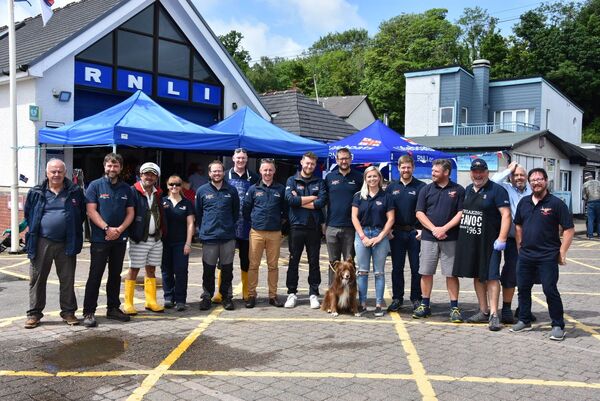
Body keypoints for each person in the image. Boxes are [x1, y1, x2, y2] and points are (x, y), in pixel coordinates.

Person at [510, 168, 574, 341]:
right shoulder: (524, 202)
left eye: (539, 179)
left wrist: (562, 252)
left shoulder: (556, 203)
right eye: (533, 180)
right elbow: (518, 226)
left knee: (549, 289)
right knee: (523, 288)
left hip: (547, 255)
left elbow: (569, 229)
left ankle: (558, 325)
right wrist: (519, 246)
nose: (536, 182)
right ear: (529, 183)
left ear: (546, 181)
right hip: (526, 255)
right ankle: (524, 319)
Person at [23, 159, 86, 329]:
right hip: (41, 241)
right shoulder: (36, 192)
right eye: (53, 171)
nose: (56, 174)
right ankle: (34, 314)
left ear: (65, 173)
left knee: (67, 279)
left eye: (60, 171)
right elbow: (29, 214)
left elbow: (81, 214)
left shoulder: (75, 191)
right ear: (46, 173)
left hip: (67, 242)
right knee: (37, 279)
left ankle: (68, 312)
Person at [453, 159, 511, 331]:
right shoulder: (468, 190)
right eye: (475, 171)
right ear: (471, 173)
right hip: (471, 242)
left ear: (487, 172)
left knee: (491, 277)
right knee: (478, 276)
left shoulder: (497, 190)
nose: (478, 175)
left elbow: (506, 215)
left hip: (490, 243)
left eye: (481, 171)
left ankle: (494, 314)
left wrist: (502, 239)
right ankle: (483, 310)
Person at [82, 153, 135, 328]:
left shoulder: (126, 189)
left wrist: (119, 230)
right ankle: (89, 312)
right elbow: (91, 211)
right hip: (100, 238)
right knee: (95, 275)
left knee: (115, 275)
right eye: (109, 166)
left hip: (119, 239)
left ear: (120, 168)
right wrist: (107, 228)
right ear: (104, 166)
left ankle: (113, 308)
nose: (112, 169)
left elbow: (131, 213)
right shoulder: (95, 186)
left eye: (116, 166)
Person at [413, 159, 465, 322]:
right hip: (429, 238)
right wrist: (435, 229)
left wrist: (444, 229)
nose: (432, 173)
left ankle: (454, 308)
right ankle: (425, 305)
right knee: (426, 272)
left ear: (446, 172)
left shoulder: (458, 190)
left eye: (436, 171)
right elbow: (419, 213)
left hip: (451, 238)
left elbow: (461, 213)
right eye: (432, 170)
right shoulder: (425, 189)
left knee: (451, 274)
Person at [215, 148, 259, 303]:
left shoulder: (254, 177)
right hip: (228, 225)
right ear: (233, 158)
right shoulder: (224, 175)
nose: (240, 161)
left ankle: (246, 292)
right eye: (238, 158)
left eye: (243, 158)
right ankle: (221, 292)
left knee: (246, 260)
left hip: (247, 225)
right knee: (224, 261)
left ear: (247, 160)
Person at [491, 161, 532, 323]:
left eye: (522, 175)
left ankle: (523, 308)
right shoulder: (505, 188)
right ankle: (506, 308)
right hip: (505, 237)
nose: (519, 177)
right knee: (509, 272)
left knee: (526, 273)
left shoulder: (532, 191)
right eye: (516, 175)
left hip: (525, 239)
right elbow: (493, 182)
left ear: (527, 177)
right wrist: (508, 169)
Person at [284, 151, 327, 309]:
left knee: (314, 262)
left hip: (314, 227)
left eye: (312, 164)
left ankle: (313, 293)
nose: (309, 166)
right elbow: (290, 199)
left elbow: (321, 202)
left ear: (315, 165)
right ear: (302, 162)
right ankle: (292, 293)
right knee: (293, 260)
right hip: (296, 226)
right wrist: (312, 197)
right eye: (307, 163)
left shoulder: (319, 182)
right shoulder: (292, 180)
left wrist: (300, 201)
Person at [195, 160, 240, 311]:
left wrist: (227, 226)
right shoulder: (202, 191)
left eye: (219, 170)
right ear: (209, 173)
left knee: (227, 270)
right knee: (208, 270)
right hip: (209, 237)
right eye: (214, 171)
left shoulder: (231, 191)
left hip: (228, 236)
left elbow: (235, 213)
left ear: (223, 172)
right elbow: (199, 214)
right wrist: (206, 229)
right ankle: (207, 296)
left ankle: (226, 297)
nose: (217, 173)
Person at [243, 158, 287, 308]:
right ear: (260, 171)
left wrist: (279, 224)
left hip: (275, 233)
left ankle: (273, 296)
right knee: (253, 265)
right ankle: (251, 295)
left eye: (270, 170)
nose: (267, 172)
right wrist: (255, 222)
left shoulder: (281, 189)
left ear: (274, 171)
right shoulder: (253, 189)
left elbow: (285, 211)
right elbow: (246, 210)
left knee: (273, 266)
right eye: (265, 170)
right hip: (257, 232)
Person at [351, 166, 395, 317]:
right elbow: (354, 217)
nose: (372, 179)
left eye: (375, 176)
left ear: (379, 178)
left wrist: (380, 236)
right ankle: (362, 304)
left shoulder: (386, 196)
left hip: (379, 234)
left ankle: (378, 305)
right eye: (369, 177)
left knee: (379, 273)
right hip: (362, 234)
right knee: (362, 272)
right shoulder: (358, 196)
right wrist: (363, 237)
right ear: (365, 179)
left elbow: (391, 219)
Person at [123, 162, 165, 315]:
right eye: (146, 174)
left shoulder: (158, 192)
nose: (149, 177)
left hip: (155, 238)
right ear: (140, 175)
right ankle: (128, 303)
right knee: (134, 269)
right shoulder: (132, 191)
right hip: (138, 238)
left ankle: (151, 301)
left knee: (151, 269)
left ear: (156, 177)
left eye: (152, 174)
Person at [386, 155, 426, 313]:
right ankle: (397, 298)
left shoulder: (421, 186)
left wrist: (423, 229)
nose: (406, 170)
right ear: (398, 168)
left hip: (415, 233)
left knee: (416, 268)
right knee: (397, 268)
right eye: (403, 167)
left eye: (408, 167)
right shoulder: (391, 187)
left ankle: (416, 298)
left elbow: (425, 209)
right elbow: (386, 210)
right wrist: (388, 229)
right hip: (396, 233)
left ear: (413, 168)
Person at [324, 148, 363, 285]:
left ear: (351, 159)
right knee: (333, 262)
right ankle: (333, 293)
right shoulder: (329, 177)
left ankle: (349, 295)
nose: (344, 161)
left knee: (349, 263)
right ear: (337, 160)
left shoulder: (359, 177)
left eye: (346, 158)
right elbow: (323, 201)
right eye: (341, 158)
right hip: (332, 226)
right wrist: (324, 224)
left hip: (351, 228)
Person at [161, 174, 195, 311]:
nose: (174, 187)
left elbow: (190, 224)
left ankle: (180, 300)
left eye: (177, 184)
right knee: (166, 271)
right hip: (164, 243)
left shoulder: (187, 203)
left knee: (181, 271)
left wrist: (188, 243)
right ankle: (168, 297)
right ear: (167, 185)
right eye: (171, 184)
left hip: (181, 243)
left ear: (181, 186)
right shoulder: (162, 201)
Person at [582, 172, 600, 239]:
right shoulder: (598, 182)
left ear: (586, 178)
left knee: (590, 219)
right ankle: (599, 234)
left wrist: (586, 200)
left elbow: (584, 196)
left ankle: (590, 236)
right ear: (592, 177)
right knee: (599, 220)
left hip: (590, 203)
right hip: (599, 202)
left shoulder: (585, 184)